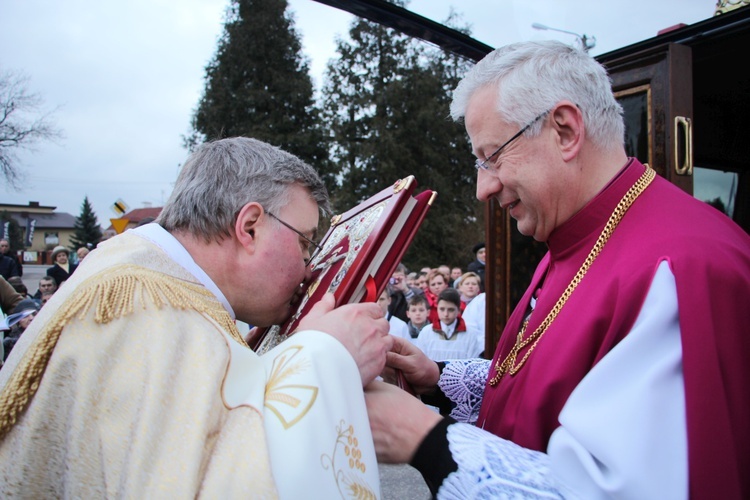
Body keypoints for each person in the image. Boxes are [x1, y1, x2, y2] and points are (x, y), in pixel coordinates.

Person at [365, 41, 750, 499]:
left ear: (565, 131)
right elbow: (545, 380)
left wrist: (426, 441)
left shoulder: (679, 269)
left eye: (492, 157)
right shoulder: (567, 241)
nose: (482, 188)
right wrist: (439, 379)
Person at [0, 137, 392, 497]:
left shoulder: (139, 271)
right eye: (305, 243)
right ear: (250, 227)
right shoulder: (152, 311)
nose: (309, 268)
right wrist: (325, 357)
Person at [416, 288, 482, 361]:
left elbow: (472, 363)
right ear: (437, 308)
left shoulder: (470, 334)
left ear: (458, 311)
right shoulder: (426, 332)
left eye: (450, 310)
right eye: (442, 309)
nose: (446, 314)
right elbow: (421, 361)